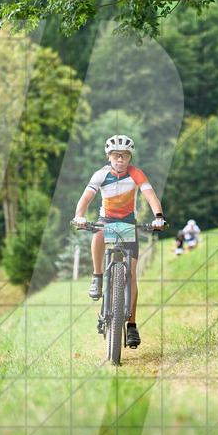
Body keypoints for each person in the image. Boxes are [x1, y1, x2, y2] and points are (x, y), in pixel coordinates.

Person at [73, 134, 165, 347]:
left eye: (124, 156)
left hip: (129, 223)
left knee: (131, 275)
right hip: (106, 220)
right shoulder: (101, 174)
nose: (120, 160)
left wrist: (158, 217)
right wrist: (79, 216)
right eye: (116, 156)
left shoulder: (136, 174)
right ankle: (97, 276)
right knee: (97, 234)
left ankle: (131, 325)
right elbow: (86, 197)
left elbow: (151, 196)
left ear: (130, 158)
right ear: (109, 157)